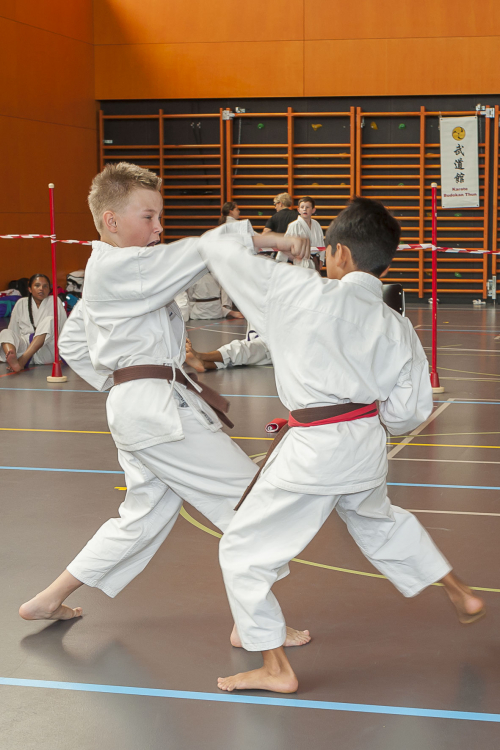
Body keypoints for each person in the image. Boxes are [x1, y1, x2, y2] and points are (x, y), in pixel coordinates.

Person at [193, 197, 485, 694]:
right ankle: (458, 589)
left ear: (340, 253)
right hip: (366, 445)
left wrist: (277, 240)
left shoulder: (299, 292)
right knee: (377, 522)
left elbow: (216, 245)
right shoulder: (396, 324)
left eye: (326, 250)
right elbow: (409, 411)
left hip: (314, 450)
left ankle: (275, 667)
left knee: (241, 551)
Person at [18, 162, 311, 650]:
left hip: (144, 409)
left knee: (141, 518)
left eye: (160, 217)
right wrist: (274, 239)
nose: (158, 228)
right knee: (252, 503)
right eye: (148, 217)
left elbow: (72, 343)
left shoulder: (109, 270)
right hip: (157, 413)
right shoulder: (120, 267)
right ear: (111, 220)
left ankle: (49, 598)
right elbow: (200, 249)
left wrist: (123, 383)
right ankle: (253, 623)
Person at [0, 273, 66, 373]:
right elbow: (13, 330)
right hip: (25, 346)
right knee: (5, 332)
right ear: (30, 289)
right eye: (37, 285)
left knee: (50, 321)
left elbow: (64, 329)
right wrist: (14, 344)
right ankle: (12, 356)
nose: (41, 289)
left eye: (45, 286)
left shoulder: (55, 301)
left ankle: (22, 361)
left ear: (49, 289)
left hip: (47, 349)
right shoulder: (21, 303)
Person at [277, 196, 325, 271]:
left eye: (307, 207)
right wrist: (281, 262)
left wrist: (321, 259)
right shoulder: (294, 225)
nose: (304, 209)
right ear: (298, 210)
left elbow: (321, 243)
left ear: (313, 210)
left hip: (315, 260)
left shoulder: (316, 224)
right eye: (302, 207)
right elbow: (285, 244)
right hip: (301, 262)